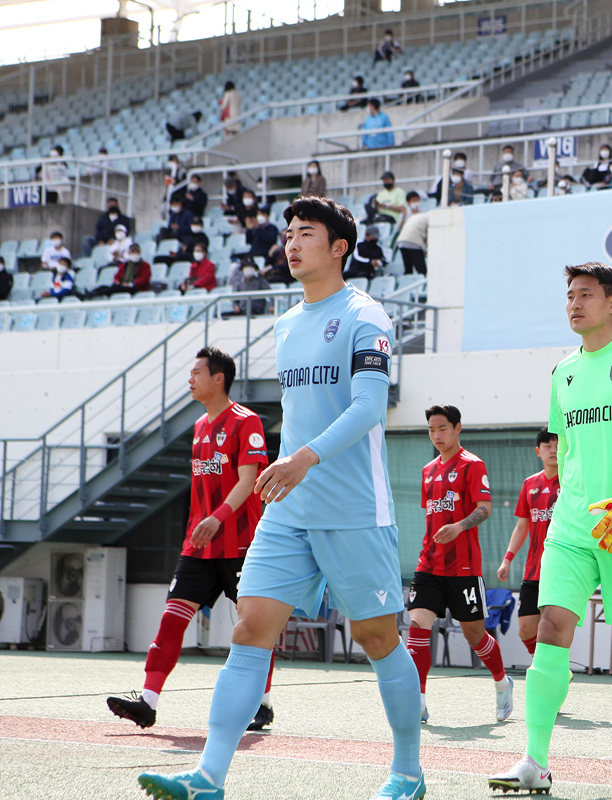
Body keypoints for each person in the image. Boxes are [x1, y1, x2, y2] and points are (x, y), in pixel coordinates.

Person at [135, 196, 424, 800]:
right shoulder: (286, 323)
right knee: (249, 630)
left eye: (306, 233)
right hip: (288, 509)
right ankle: (209, 776)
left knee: (377, 639)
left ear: (339, 247)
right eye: (288, 233)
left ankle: (407, 773)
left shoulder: (366, 315)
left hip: (353, 509)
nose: (291, 243)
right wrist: (290, 466)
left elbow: (369, 406)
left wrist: (303, 458)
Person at [488, 263, 612, 793]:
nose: (575, 304)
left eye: (586, 295)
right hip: (572, 523)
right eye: (570, 296)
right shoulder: (562, 372)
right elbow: (569, 451)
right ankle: (535, 760)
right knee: (551, 627)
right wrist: (565, 505)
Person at [107, 348, 274, 732]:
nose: (190, 378)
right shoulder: (199, 426)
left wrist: (218, 517)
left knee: (255, 626)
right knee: (171, 619)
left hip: (242, 544)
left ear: (219, 378)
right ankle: (147, 703)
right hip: (199, 545)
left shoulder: (246, 421)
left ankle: (261, 705)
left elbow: (248, 481)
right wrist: (205, 523)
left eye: (197, 372)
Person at [408, 405, 512, 724]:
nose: (436, 435)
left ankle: (502, 682)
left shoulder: (472, 464)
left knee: (475, 636)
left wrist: (460, 526)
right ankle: (417, 701)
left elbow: (485, 507)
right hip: (428, 564)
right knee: (417, 627)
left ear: (457, 429)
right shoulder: (428, 471)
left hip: (464, 569)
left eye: (442, 428)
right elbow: (432, 514)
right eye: (431, 429)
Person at [497, 429, 561, 657]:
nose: (553, 450)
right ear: (538, 451)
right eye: (547, 446)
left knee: (551, 627)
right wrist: (507, 560)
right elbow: (522, 526)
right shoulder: (529, 484)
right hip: (533, 570)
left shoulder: (573, 482)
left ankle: (549, 668)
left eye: (557, 445)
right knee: (525, 629)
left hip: (561, 568)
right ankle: (544, 663)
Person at [395, 210, 428, 276]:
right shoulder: (430, 219)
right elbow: (428, 236)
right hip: (413, 241)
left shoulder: (417, 216)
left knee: (408, 270)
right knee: (422, 270)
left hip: (401, 241)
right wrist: (424, 249)